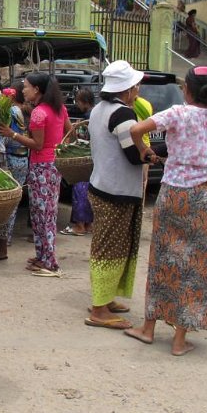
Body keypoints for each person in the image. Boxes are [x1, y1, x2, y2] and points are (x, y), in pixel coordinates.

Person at [125, 67, 207, 356]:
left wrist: (142, 151)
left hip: (175, 192)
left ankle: (148, 329)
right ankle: (179, 339)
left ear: (187, 90)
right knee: (198, 264)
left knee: (164, 256)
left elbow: (136, 129)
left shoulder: (178, 113)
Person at [84, 61, 146, 330]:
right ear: (129, 90)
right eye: (135, 86)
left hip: (102, 185)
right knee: (110, 248)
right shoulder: (123, 115)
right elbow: (133, 155)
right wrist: (150, 153)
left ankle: (104, 299)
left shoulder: (100, 109)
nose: (137, 89)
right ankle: (99, 310)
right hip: (116, 191)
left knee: (108, 245)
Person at [0, 72, 71, 277]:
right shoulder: (59, 109)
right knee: (43, 212)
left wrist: (13, 135)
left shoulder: (40, 113)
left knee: (43, 214)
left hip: (42, 167)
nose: (23, 90)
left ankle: (49, 261)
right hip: (53, 165)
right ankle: (42, 255)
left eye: (27, 87)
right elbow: (70, 131)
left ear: (37, 90)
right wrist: (59, 148)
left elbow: (37, 144)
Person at [0, 81, 29, 262]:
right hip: (9, 155)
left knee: (5, 202)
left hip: (5, 155)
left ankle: (2, 244)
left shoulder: (10, 110)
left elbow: (7, 135)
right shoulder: (14, 109)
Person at [61, 88, 95, 236]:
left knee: (80, 191)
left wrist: (75, 129)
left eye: (78, 102)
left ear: (84, 102)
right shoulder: (95, 113)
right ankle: (88, 224)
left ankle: (80, 225)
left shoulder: (88, 117)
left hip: (84, 159)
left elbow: (79, 138)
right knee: (90, 192)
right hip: (94, 161)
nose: (77, 105)